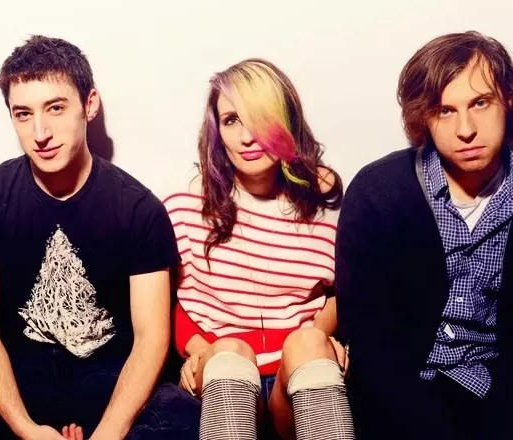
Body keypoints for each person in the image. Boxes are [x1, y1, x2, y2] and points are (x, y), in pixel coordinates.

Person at [0, 35, 200, 440]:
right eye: (23, 114)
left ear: (89, 105)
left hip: (113, 382)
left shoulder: (138, 208)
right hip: (17, 382)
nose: (40, 132)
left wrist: (110, 432)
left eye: (56, 108)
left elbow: (152, 339)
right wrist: (26, 429)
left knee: (189, 425)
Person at [164, 58, 354, 440]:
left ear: (286, 121)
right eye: (231, 120)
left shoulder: (326, 209)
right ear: (217, 130)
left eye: (260, 118)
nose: (247, 137)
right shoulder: (185, 207)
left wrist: (318, 338)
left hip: (294, 372)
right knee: (229, 356)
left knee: (307, 345)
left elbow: (341, 292)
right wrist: (198, 352)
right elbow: (169, 299)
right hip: (219, 371)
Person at [336, 31, 513, 439]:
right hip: (403, 396)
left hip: (499, 392)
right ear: (423, 117)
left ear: (507, 99)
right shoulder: (379, 193)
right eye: (445, 111)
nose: (466, 129)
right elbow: (369, 339)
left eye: (480, 103)